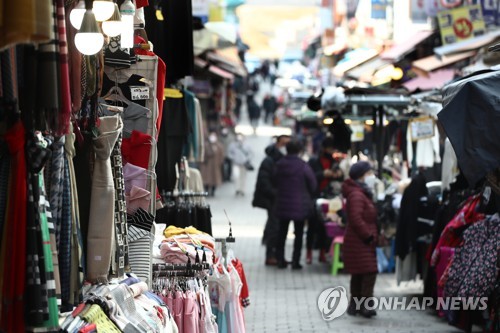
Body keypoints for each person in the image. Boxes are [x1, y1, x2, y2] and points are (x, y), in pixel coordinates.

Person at [341, 161, 379, 318]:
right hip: (361, 240)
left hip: (358, 240)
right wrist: (368, 235)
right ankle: (365, 306)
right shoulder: (357, 194)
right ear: (361, 176)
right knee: (369, 271)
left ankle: (354, 305)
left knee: (359, 272)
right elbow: (356, 218)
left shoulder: (360, 192)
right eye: (369, 173)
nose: (372, 176)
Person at [273, 139, 317, 269]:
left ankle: (280, 260)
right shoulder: (303, 165)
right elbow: (313, 184)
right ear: (298, 151)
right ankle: (295, 261)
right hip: (300, 205)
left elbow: (274, 179)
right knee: (298, 234)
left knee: (282, 233)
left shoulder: (279, 164)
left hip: (282, 203)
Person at [252, 135, 291, 265]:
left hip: (280, 199)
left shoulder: (283, 159)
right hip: (272, 200)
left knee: (278, 227)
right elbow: (264, 181)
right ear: (278, 144)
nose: (286, 147)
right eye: (284, 144)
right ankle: (270, 255)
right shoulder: (269, 161)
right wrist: (276, 193)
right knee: (274, 227)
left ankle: (277, 255)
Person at [307, 137, 344, 264]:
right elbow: (310, 177)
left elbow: (340, 177)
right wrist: (323, 174)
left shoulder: (334, 161)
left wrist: (338, 174)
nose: (331, 151)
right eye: (329, 148)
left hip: (329, 197)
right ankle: (309, 252)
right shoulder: (313, 161)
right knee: (312, 225)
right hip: (315, 196)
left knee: (324, 227)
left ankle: (323, 252)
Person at [199, 131, 225, 197]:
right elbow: (204, 154)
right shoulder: (206, 145)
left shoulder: (219, 146)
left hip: (215, 166)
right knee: (206, 180)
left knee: (215, 180)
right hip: (207, 166)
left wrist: (220, 163)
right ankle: (207, 191)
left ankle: (213, 191)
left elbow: (221, 155)